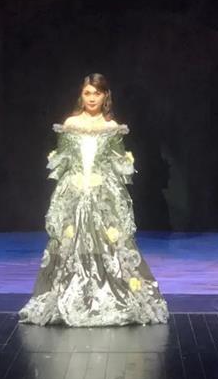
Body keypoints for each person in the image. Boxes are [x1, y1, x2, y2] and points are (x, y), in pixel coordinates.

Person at [19, 73, 169, 326]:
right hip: (75, 193)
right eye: (87, 93)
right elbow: (63, 162)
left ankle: (107, 295)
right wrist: (68, 191)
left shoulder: (112, 127)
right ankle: (70, 296)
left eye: (97, 93)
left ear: (105, 96)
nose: (91, 98)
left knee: (109, 246)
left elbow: (118, 165)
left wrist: (109, 190)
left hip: (102, 195)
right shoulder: (70, 124)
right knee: (70, 245)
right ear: (81, 95)